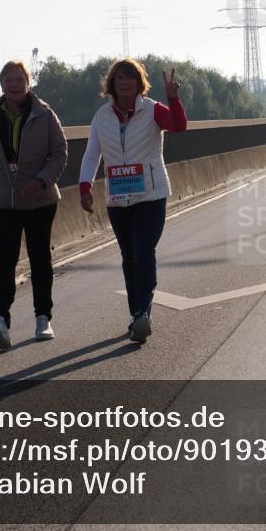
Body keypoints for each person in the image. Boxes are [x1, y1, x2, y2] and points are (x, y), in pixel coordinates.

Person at [79, 59, 187, 344]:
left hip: (151, 194)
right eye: (119, 78)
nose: (124, 82)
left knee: (143, 251)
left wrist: (173, 99)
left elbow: (178, 126)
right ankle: (137, 314)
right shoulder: (102, 116)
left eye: (130, 77)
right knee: (129, 256)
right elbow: (92, 155)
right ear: (112, 84)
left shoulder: (153, 109)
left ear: (139, 83)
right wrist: (85, 186)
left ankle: (142, 313)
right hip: (118, 198)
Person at [0, 60, 69, 350]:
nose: (13, 84)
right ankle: (0, 320)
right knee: (4, 262)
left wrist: (43, 180)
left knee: (40, 259)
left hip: (39, 201)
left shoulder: (44, 114)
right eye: (8, 80)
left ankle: (43, 318)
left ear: (28, 83)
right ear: (1, 84)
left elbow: (60, 152)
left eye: (19, 79)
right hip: (3, 202)